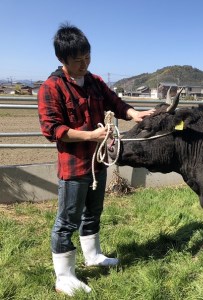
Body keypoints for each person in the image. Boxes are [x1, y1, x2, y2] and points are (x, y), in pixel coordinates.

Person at [37, 22, 154, 296]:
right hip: (74, 166)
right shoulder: (51, 88)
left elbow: (116, 103)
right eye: (78, 61)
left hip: (97, 164)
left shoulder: (95, 82)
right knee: (66, 220)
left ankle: (93, 256)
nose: (84, 64)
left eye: (87, 58)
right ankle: (64, 276)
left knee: (93, 213)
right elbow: (52, 129)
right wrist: (90, 136)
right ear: (61, 59)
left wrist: (133, 114)